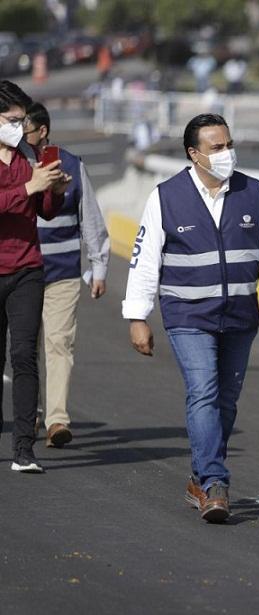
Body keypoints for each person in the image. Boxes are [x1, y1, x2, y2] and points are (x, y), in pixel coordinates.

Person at [123, 113, 259, 522]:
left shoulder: (254, 193)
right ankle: (216, 483)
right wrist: (137, 316)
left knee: (226, 400)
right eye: (217, 148)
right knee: (203, 390)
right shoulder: (166, 197)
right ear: (194, 153)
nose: (226, 154)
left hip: (239, 314)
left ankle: (200, 477)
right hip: (187, 315)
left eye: (228, 144)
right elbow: (145, 260)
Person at [24, 102, 110, 448]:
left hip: (62, 273)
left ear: (42, 130)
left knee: (59, 343)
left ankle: (57, 419)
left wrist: (99, 265)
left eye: (24, 129)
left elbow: (90, 216)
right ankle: (28, 411)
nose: (18, 135)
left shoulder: (73, 165)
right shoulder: (13, 166)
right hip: (21, 273)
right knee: (24, 347)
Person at [0, 80, 71, 473]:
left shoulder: (30, 155)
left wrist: (54, 190)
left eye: (21, 120)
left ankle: (24, 449)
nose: (18, 127)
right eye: (11, 120)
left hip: (28, 268)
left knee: (25, 355)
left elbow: (44, 211)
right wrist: (29, 186)